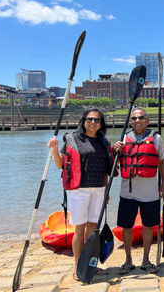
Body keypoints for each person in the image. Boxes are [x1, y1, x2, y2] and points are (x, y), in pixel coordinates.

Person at [47, 109, 112, 281]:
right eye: (89, 119)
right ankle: (77, 265)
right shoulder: (72, 139)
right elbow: (60, 165)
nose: (93, 122)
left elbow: (106, 170)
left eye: (97, 120)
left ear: (101, 123)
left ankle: (91, 264)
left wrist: (105, 191)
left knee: (93, 230)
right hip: (78, 191)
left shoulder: (103, 141)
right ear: (83, 121)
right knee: (79, 229)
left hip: (98, 189)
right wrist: (54, 150)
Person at [113, 108, 164, 274]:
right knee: (126, 227)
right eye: (134, 118)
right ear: (131, 121)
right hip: (127, 192)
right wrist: (116, 149)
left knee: (148, 226)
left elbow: (162, 163)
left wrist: (163, 184)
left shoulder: (157, 139)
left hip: (150, 192)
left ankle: (146, 260)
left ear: (147, 120)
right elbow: (114, 162)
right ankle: (128, 260)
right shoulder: (123, 138)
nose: (137, 120)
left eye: (141, 117)